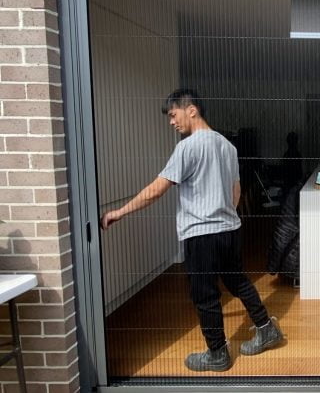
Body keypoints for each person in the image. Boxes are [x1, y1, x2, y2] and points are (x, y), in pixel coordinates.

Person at [100, 89, 283, 372]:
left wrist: (120, 212)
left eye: (173, 115)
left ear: (191, 110)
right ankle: (266, 328)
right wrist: (225, 216)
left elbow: (155, 191)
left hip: (201, 234)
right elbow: (235, 191)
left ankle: (217, 353)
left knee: (205, 295)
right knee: (238, 282)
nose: (172, 122)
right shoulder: (227, 146)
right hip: (230, 229)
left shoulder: (188, 147)